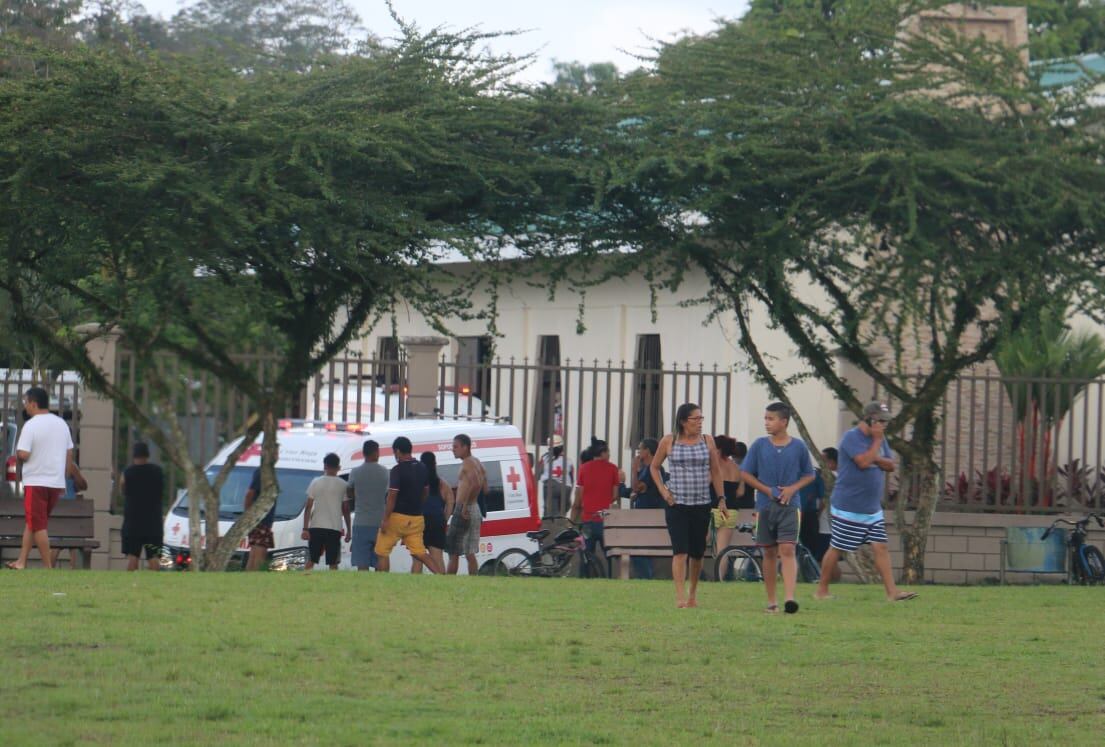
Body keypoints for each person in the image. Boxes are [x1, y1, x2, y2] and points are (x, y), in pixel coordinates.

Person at [816, 403, 919, 602]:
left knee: (881, 547)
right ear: (869, 419)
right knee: (837, 547)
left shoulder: (880, 440)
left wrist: (874, 455)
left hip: (871, 507)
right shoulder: (851, 437)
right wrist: (876, 446)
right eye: (880, 420)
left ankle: (892, 593)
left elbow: (890, 465)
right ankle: (822, 591)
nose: (884, 424)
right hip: (848, 506)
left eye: (886, 420)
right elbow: (862, 462)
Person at [741, 402, 816, 614]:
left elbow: (809, 474)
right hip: (765, 507)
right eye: (765, 418)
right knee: (769, 553)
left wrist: (792, 489)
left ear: (784, 421)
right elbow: (746, 473)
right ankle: (772, 601)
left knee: (788, 549)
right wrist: (766, 490)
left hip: (791, 507)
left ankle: (790, 598)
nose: (766, 423)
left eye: (771, 419)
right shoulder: (759, 445)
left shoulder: (799, 447)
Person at [651, 403, 725, 608]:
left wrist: (721, 499)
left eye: (701, 418)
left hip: (701, 503)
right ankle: (680, 596)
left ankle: (693, 594)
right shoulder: (669, 441)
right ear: (683, 421)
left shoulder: (707, 441)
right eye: (695, 419)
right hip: (677, 504)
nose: (700, 423)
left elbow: (717, 472)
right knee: (680, 551)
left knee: (697, 552)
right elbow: (654, 467)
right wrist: (663, 491)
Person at [7, 387, 74, 570]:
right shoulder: (62, 424)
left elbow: (24, 454)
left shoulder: (31, 425)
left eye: (26, 402)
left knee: (38, 526)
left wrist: (19, 454)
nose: (25, 406)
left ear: (34, 404)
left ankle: (48, 567)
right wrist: (64, 475)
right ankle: (22, 561)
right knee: (33, 522)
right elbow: (69, 452)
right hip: (55, 483)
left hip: (36, 482)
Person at [377, 437, 443, 574]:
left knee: (382, 551)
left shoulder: (397, 470)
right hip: (416, 519)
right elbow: (426, 492)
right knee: (420, 553)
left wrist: (385, 519)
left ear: (398, 451)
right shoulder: (422, 468)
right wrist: (418, 504)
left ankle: (381, 579)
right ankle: (441, 575)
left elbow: (392, 497)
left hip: (397, 518)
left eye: (394, 453)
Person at [570, 437, 620, 561]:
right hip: (605, 520)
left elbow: (579, 498)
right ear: (602, 453)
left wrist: (572, 521)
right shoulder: (613, 469)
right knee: (609, 556)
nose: (609, 454)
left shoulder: (584, 469)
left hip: (588, 520)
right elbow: (615, 495)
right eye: (608, 452)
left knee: (586, 556)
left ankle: (585, 578)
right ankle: (608, 577)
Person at [301, 453, 351, 571]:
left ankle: (303, 581)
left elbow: (308, 507)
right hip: (334, 528)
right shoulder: (344, 485)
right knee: (333, 562)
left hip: (316, 526)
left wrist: (305, 529)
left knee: (311, 560)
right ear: (339, 467)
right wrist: (349, 530)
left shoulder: (315, 482)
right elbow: (346, 509)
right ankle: (332, 585)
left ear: (325, 466)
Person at [446, 434, 487, 575]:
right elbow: (484, 485)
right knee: (469, 552)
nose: (453, 450)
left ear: (466, 447)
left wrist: (464, 505)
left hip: (465, 508)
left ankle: (449, 581)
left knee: (453, 551)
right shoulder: (477, 462)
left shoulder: (467, 463)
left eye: (456, 447)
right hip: (475, 508)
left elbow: (475, 483)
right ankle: (473, 579)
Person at [120, 442, 165, 572]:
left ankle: (130, 584)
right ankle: (154, 584)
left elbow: (122, 489)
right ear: (147, 455)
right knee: (153, 557)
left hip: (133, 522)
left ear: (134, 455)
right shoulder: (158, 472)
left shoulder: (128, 473)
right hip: (153, 522)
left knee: (133, 556)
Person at [346, 440, 389, 571]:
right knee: (381, 557)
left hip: (361, 522)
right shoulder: (385, 472)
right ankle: (381, 586)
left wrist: (357, 497)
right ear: (376, 452)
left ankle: (364, 586)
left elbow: (349, 491)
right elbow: (388, 494)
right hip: (379, 522)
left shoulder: (355, 472)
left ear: (364, 453)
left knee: (362, 561)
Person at [629, 438, 666, 580]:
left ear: (648, 451)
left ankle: (646, 576)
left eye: (640, 448)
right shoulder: (649, 469)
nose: (638, 452)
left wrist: (634, 470)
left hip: (648, 516)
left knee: (639, 549)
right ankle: (646, 576)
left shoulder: (651, 469)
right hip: (646, 515)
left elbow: (637, 487)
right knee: (640, 549)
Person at [412, 451, 453, 574]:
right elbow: (450, 502)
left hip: (419, 522)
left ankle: (414, 586)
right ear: (435, 464)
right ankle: (443, 586)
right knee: (437, 558)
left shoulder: (416, 482)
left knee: (417, 559)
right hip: (437, 522)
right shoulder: (442, 483)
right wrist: (444, 519)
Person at [243, 446, 280, 571]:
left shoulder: (268, 471)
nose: (277, 456)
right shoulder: (263, 472)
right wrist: (250, 516)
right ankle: (254, 580)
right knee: (259, 552)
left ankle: (249, 579)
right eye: (275, 453)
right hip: (260, 520)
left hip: (264, 521)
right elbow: (250, 494)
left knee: (256, 552)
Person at [711, 435, 746, 553]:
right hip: (730, 511)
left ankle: (692, 571)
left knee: (698, 544)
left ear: (719, 449)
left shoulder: (715, 467)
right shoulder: (737, 468)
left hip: (715, 509)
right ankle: (721, 572)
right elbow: (740, 492)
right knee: (722, 551)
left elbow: (706, 483)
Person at [537, 434, 574, 518]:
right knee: (562, 514)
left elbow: (538, 475)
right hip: (566, 488)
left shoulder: (545, 459)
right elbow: (571, 479)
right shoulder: (569, 461)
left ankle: (549, 527)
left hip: (550, 486)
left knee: (549, 514)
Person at [815, 447, 839, 567]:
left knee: (825, 558)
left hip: (827, 525)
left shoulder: (831, 477)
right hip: (831, 524)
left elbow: (825, 498)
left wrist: (817, 514)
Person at [798, 459, 826, 555]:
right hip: (806, 513)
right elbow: (823, 498)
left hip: (803, 513)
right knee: (809, 544)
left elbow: (823, 498)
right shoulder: (815, 474)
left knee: (804, 544)